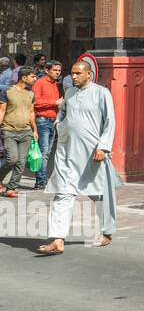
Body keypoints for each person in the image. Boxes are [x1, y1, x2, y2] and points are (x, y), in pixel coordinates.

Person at [39, 60, 120, 253]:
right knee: (63, 194)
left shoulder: (102, 93)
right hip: (68, 153)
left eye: (77, 73)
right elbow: (63, 113)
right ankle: (58, 239)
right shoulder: (70, 93)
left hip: (94, 154)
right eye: (72, 73)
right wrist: (59, 124)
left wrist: (104, 147)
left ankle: (107, 231)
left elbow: (110, 121)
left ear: (89, 74)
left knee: (101, 195)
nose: (73, 77)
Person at [0, 67, 39, 197]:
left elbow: (31, 112)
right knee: (12, 159)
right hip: (9, 130)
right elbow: (1, 111)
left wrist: (35, 130)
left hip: (26, 132)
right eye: (33, 76)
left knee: (21, 162)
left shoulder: (31, 93)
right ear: (24, 77)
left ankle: (11, 188)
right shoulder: (7, 91)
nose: (35, 79)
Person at [31, 60, 63, 191]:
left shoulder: (55, 84)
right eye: (55, 70)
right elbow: (36, 102)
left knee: (48, 152)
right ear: (47, 70)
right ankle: (41, 180)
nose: (57, 73)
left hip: (52, 120)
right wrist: (54, 102)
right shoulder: (40, 83)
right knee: (43, 152)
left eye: (59, 70)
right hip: (42, 120)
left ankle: (42, 179)